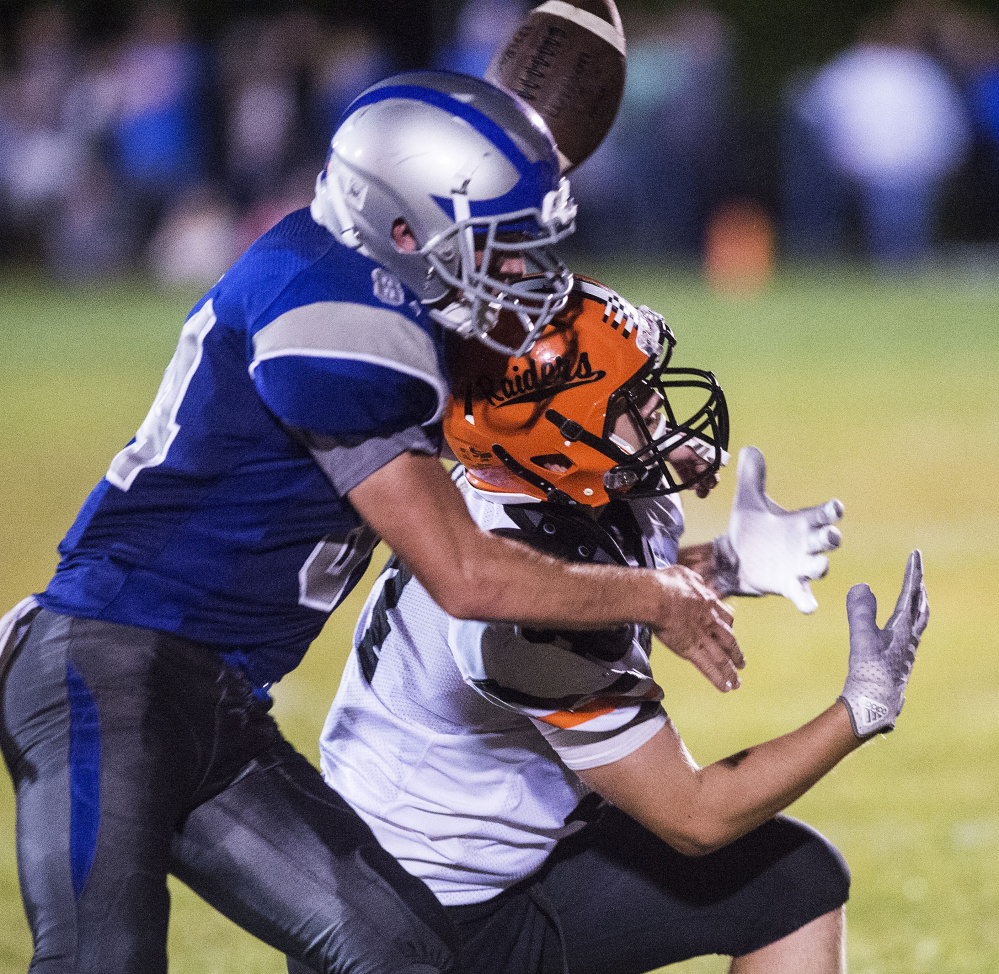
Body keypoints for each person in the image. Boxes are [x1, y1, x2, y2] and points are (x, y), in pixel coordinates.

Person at [0, 71, 751, 974]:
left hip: (214, 700)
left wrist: (647, 471)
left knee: (404, 955)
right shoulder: (337, 318)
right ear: (404, 231)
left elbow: (520, 451)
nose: (519, 272)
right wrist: (653, 594)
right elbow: (467, 574)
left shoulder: (377, 283)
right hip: (106, 667)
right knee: (101, 960)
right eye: (495, 247)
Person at [302, 278, 928, 974]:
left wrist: (714, 568)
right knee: (754, 859)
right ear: (559, 435)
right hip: (423, 931)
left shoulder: (527, 488)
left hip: (463, 873)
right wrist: (860, 709)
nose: (658, 405)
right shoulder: (521, 609)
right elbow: (695, 816)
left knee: (790, 879)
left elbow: (596, 586)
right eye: (631, 398)